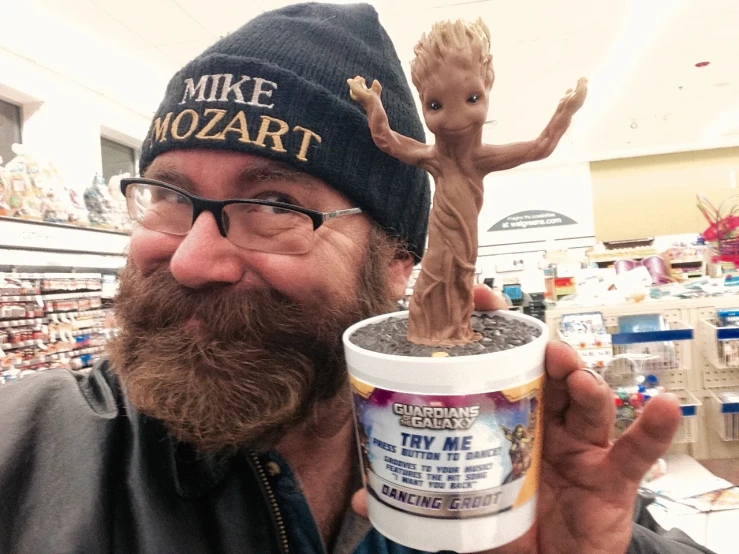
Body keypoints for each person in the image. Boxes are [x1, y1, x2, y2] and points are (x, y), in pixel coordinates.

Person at [0, 3, 715, 554]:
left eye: (274, 205)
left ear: (399, 259)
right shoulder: (24, 453)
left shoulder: (497, 461)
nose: (191, 257)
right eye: (169, 196)